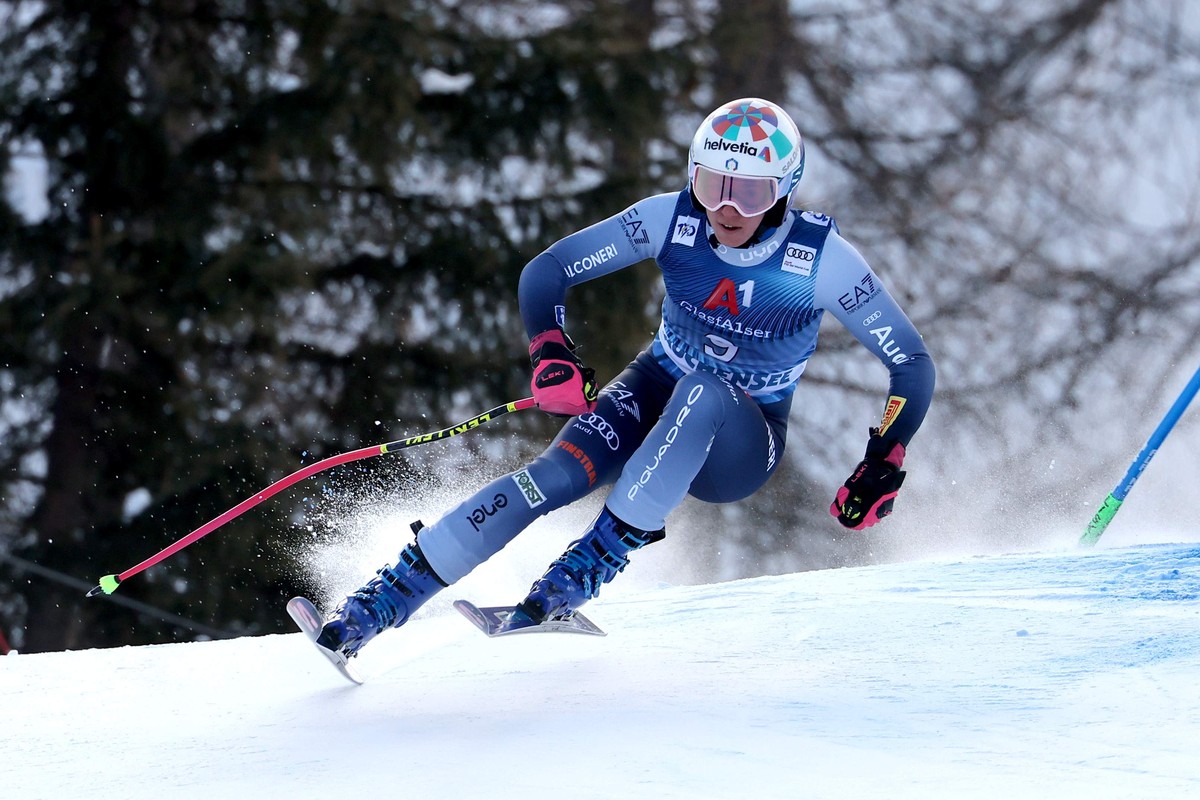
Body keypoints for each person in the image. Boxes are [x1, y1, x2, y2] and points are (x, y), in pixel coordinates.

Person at [311, 97, 935, 659]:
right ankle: (379, 603)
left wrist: (885, 454)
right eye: (712, 184)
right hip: (653, 383)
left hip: (741, 441)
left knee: (705, 389)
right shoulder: (672, 220)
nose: (725, 208)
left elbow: (910, 362)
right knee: (552, 475)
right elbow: (548, 270)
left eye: (749, 193)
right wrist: (550, 349)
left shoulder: (820, 260)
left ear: (785, 191)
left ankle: (593, 560)